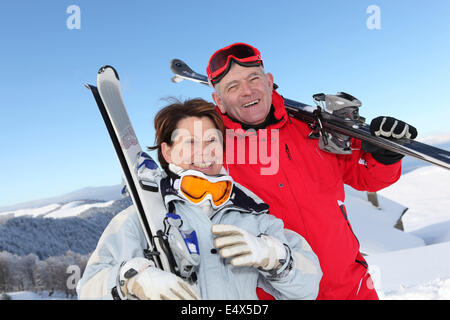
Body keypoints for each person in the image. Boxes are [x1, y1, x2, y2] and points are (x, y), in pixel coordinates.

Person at [206, 42, 418, 300]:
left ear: (269, 81)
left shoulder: (314, 131)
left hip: (352, 288)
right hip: (277, 294)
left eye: (254, 78)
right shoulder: (213, 154)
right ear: (219, 101)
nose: (247, 91)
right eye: (232, 86)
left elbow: (366, 177)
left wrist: (385, 155)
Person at [76, 98, 322, 300]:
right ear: (167, 151)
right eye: (191, 142)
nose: (204, 151)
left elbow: (308, 289)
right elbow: (88, 290)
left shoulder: (253, 216)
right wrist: (132, 281)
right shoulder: (140, 219)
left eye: (211, 140)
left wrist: (275, 258)